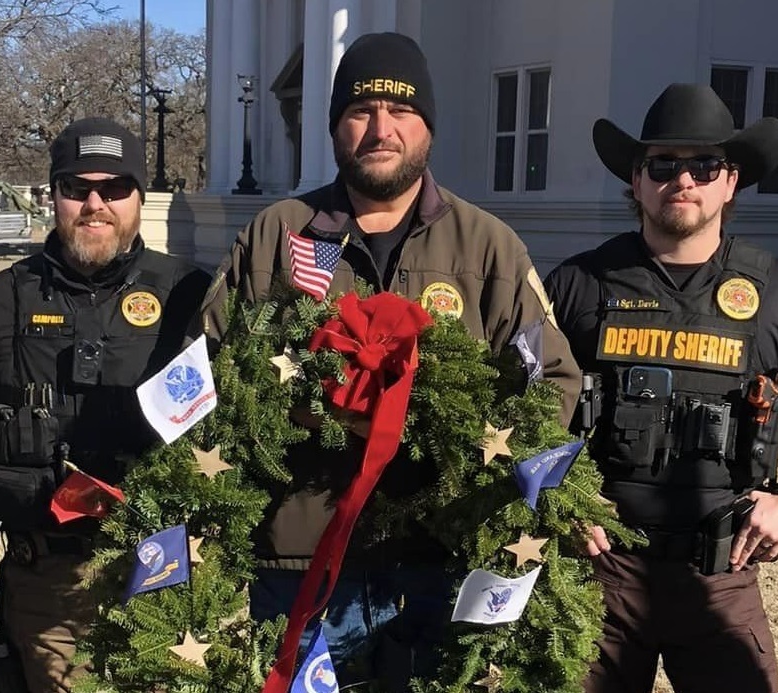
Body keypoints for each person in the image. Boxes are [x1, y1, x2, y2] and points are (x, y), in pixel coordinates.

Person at [203, 31, 580, 687]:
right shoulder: (275, 234)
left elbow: (550, 382)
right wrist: (308, 405)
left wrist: (469, 445)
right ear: (332, 128)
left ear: (427, 126)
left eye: (400, 109)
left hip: (439, 562)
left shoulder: (487, 247)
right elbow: (211, 371)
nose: (380, 127)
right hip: (297, 563)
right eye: (359, 110)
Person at [544, 83, 778, 692]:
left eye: (703, 164)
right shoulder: (579, 283)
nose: (682, 180)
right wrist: (558, 500)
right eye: (662, 164)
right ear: (636, 181)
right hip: (596, 571)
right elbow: (523, 402)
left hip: (720, 574)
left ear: (730, 180)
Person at [0, 117, 211, 691]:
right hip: (44, 582)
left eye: (115, 188)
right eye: (76, 188)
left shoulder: (190, 297)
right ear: (54, 196)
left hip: (163, 573)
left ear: (140, 197)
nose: (95, 204)